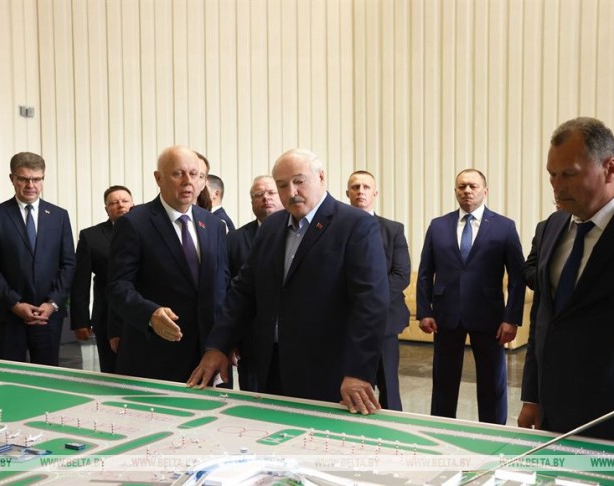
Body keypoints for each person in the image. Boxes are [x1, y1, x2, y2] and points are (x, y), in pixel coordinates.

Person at [188, 148, 390, 415]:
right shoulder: (271, 227)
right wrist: (218, 346)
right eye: (282, 185)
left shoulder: (356, 225)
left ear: (321, 177)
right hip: (270, 369)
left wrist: (358, 371)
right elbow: (243, 291)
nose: (292, 192)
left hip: (330, 373)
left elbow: (371, 302)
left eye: (299, 181)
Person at [518, 117, 614, 447]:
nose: (557, 186)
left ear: (610, 169)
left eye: (569, 174)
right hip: (555, 418)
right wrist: (532, 396)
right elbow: (544, 317)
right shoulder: (552, 227)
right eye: (552, 174)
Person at [107, 145, 228, 383]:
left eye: (194, 174)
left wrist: (225, 340)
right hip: (155, 352)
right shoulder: (134, 223)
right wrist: (149, 313)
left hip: (207, 353)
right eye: (178, 174)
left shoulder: (214, 225)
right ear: (158, 178)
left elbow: (222, 285)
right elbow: (118, 287)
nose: (187, 181)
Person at [416, 169, 525, 425]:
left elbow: (518, 278)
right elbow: (425, 272)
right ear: (455, 191)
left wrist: (511, 319)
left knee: (492, 382)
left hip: (489, 317)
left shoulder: (504, 227)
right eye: (462, 186)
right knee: (443, 381)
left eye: (473, 186)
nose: (467, 191)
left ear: (485, 191)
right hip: (446, 315)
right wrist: (425, 311)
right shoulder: (438, 226)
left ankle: (494, 432)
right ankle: (442, 429)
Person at [0, 152, 76, 366]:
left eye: (37, 179)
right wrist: (15, 303)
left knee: (48, 375)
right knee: (10, 376)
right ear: (12, 179)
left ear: (43, 179)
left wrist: (52, 303)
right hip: (8, 313)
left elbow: (68, 264)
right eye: (23, 179)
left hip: (48, 314)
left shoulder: (59, 216)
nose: (31, 185)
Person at [346, 170, 410, 411]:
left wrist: (369, 300)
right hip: (344, 320)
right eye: (355, 187)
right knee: (346, 384)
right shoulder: (335, 228)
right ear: (347, 193)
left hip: (384, 320)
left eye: (366, 187)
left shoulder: (393, 230)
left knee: (388, 387)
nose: (360, 191)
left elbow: (401, 275)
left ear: (375, 193)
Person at [227, 175, 284, 388]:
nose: (265, 198)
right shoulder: (235, 239)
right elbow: (229, 290)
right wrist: (230, 340)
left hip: (294, 342)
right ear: (252, 202)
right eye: (259, 194)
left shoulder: (299, 234)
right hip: (251, 342)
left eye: (271, 193)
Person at [70, 185, 134, 373]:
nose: (120, 205)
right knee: (112, 371)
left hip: (141, 315)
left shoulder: (147, 231)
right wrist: (80, 321)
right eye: (114, 203)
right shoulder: (91, 236)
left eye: (125, 201)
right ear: (107, 209)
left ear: (133, 204)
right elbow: (80, 282)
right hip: (106, 315)